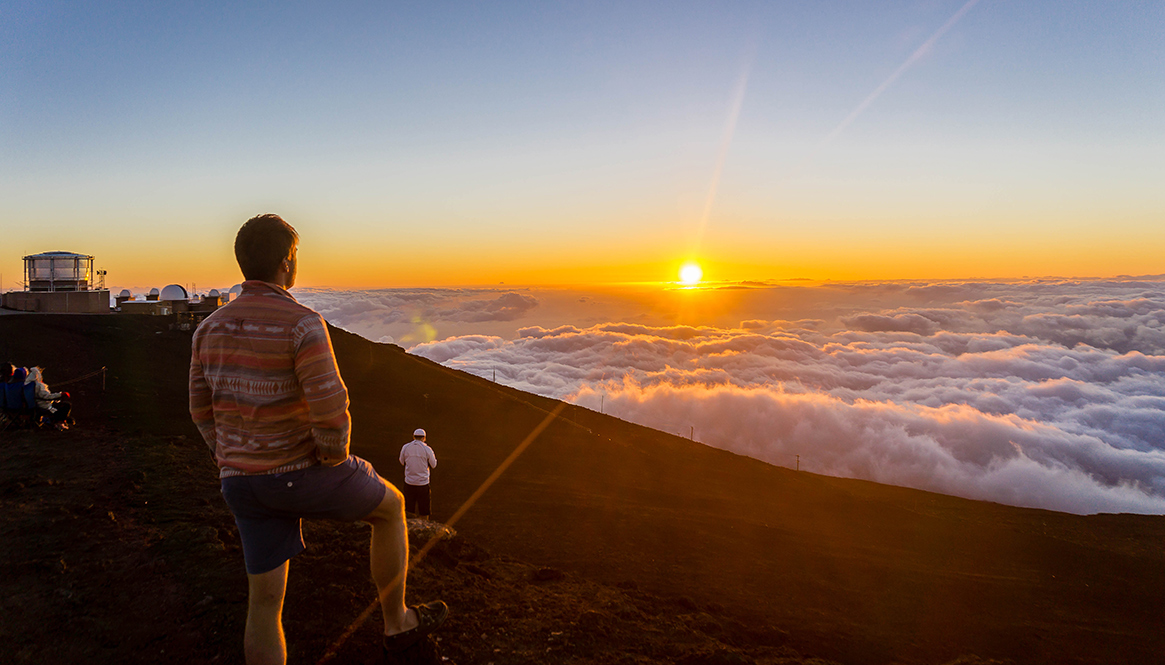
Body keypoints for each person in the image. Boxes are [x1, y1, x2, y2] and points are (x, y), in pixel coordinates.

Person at [189, 214, 446, 665]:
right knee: (390, 510)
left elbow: (199, 409)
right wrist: (331, 459)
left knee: (264, 606)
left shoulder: (207, 329)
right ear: (288, 263)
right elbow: (331, 409)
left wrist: (229, 456)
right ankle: (397, 623)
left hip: (241, 483)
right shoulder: (302, 324)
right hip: (299, 473)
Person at [399, 428, 437, 520]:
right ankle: (423, 529)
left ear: (413, 437)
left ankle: (408, 530)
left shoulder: (405, 447)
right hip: (422, 484)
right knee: (424, 511)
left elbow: (401, 461)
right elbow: (434, 464)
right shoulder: (427, 449)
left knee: (408, 511)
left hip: (409, 483)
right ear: (424, 438)